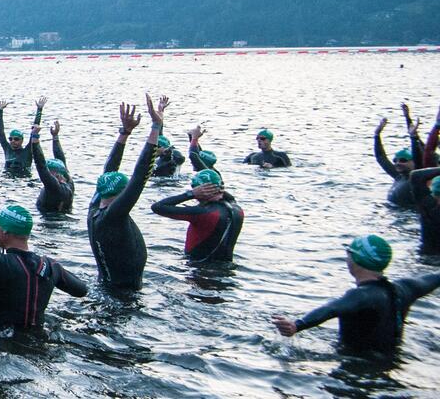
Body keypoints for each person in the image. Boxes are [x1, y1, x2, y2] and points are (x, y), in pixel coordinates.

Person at [0, 158, 88, 330]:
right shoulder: (50, 266)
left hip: (1, 343)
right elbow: (81, 290)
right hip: (39, 342)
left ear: (5, 231)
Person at [272, 235, 440, 355]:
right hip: (391, 361)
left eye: (349, 253)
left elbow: (331, 308)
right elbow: (432, 279)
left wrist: (297, 325)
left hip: (357, 364)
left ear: (356, 260)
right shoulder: (404, 288)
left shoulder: (361, 296)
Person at [87, 100, 160, 291]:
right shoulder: (114, 217)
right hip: (125, 297)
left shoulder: (95, 209)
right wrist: (156, 127)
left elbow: (109, 169)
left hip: (107, 286)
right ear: (122, 193)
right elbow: (140, 176)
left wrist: (125, 133)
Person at [151, 168, 244, 263]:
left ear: (199, 189)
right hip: (226, 270)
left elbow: (157, 207)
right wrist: (218, 189)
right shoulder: (237, 209)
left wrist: (191, 194)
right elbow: (231, 198)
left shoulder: (203, 214)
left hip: (199, 270)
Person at [30, 121, 75, 214]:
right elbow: (61, 159)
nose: (47, 172)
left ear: (54, 173)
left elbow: (40, 164)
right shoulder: (69, 182)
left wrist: (35, 138)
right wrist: (55, 137)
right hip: (63, 218)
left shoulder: (53, 186)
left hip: (50, 222)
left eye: (49, 170)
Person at [375, 116, 419, 208]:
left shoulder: (417, 178)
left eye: (403, 160)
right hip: (394, 214)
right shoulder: (398, 176)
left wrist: (413, 137)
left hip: (409, 217)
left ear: (413, 162)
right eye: (395, 161)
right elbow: (381, 158)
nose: (398, 163)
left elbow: (418, 155)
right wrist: (377, 135)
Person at [0, 99, 44, 176]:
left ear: (22, 140)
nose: (13, 141)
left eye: (16, 139)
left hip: (23, 179)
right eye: (10, 139)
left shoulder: (28, 151)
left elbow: (34, 129)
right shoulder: (7, 149)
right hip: (8, 180)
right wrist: (0, 111)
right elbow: (0, 132)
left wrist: (39, 110)